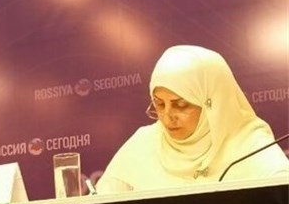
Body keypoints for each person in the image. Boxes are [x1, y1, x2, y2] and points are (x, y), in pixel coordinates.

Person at [97, 45, 289, 193]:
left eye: (181, 105)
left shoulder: (250, 145)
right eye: (159, 104)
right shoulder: (144, 142)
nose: (167, 117)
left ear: (212, 104)